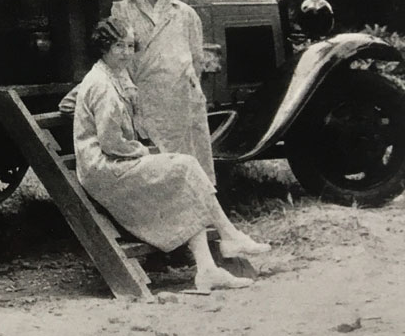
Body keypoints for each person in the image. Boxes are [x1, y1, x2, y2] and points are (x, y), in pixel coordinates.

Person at [73, 18, 270, 291]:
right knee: (185, 166)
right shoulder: (102, 83)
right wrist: (141, 151)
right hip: (105, 169)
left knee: (183, 175)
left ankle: (208, 268)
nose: (127, 53)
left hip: (114, 161)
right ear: (103, 47)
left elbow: (75, 103)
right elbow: (110, 142)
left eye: (130, 46)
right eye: (119, 46)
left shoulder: (112, 74)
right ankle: (229, 235)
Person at [112, 0, 215, 182]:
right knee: (150, 173)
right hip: (142, 104)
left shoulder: (185, 14)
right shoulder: (121, 12)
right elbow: (117, 64)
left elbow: (196, 62)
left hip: (179, 106)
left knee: (187, 170)